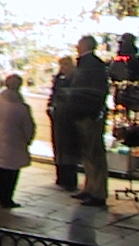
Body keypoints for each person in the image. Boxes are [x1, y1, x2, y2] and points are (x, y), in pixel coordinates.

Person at [65, 35, 110, 208]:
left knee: (94, 153)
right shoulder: (88, 64)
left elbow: (96, 91)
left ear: (85, 45)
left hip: (88, 115)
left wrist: (92, 112)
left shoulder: (92, 65)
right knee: (87, 153)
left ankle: (98, 192)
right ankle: (90, 187)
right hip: (83, 113)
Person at [0, 73, 35, 208]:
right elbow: (28, 127)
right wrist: (28, 140)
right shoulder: (22, 108)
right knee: (11, 172)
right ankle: (6, 198)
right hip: (16, 143)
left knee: (1, 171)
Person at [47, 55, 81, 191]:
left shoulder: (75, 80)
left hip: (69, 118)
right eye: (62, 65)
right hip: (58, 116)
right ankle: (60, 175)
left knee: (69, 148)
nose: (63, 68)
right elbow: (53, 95)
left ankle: (70, 178)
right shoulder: (58, 79)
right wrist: (50, 108)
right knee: (58, 146)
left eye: (66, 65)